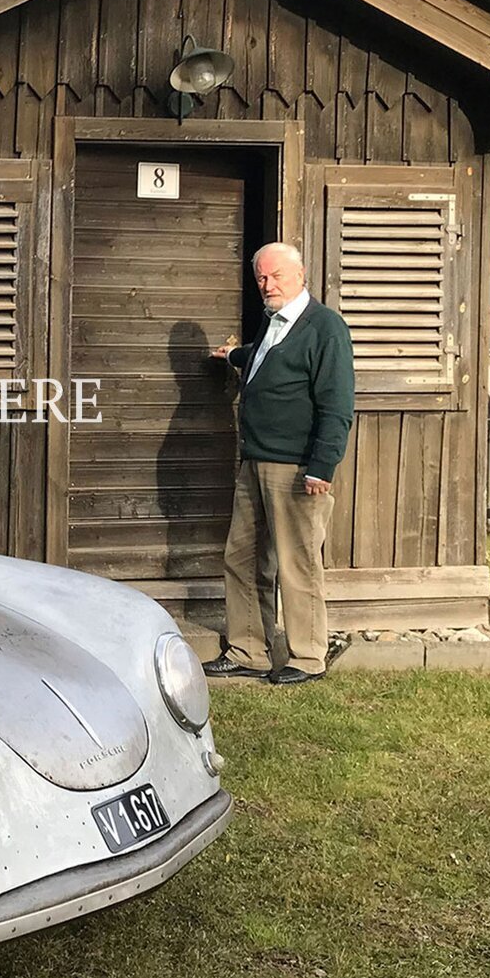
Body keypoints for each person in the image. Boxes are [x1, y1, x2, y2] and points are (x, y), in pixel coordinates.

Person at [205, 243, 354, 685]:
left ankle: (308, 657)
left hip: (296, 470)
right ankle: (248, 649)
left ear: (300, 274)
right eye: (262, 279)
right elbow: (263, 359)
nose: (268, 285)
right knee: (243, 558)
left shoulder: (325, 328)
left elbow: (337, 404)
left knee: (297, 561)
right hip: (255, 461)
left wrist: (321, 467)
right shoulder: (275, 323)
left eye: (276, 276)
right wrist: (232, 357)